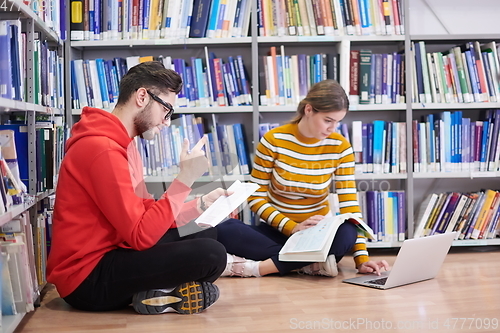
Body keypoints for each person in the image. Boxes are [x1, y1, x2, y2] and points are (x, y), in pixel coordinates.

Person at [46, 61, 228, 315]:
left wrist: (199, 205)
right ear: (142, 96)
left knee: (205, 233)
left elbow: (146, 213)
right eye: (166, 110)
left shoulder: (125, 144)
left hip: (117, 249)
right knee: (212, 255)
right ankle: (161, 294)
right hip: (87, 279)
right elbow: (141, 235)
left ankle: (155, 295)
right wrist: (184, 179)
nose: (166, 122)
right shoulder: (102, 150)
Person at [216, 80, 389, 277]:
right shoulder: (274, 140)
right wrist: (292, 227)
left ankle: (260, 267)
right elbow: (256, 198)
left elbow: (350, 206)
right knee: (226, 230)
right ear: (309, 110)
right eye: (328, 120)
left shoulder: (340, 147)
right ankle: (310, 265)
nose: (333, 128)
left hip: (317, 237)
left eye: (338, 122)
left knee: (348, 231)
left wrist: (362, 260)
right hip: (278, 231)